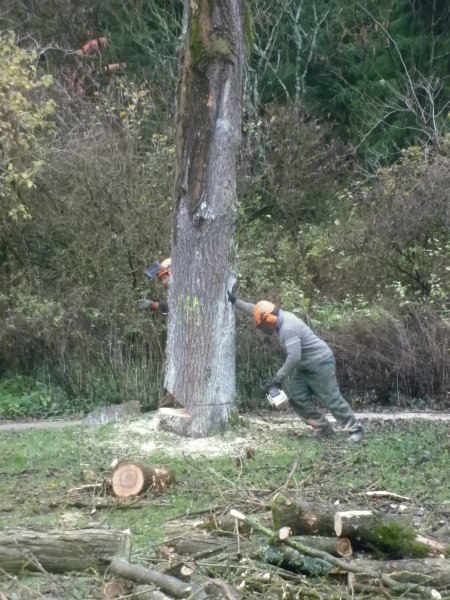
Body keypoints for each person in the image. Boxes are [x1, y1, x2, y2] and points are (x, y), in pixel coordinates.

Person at [227, 291, 365, 443]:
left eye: (262, 324)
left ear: (270, 319)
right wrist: (236, 301)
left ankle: (355, 430)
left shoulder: (288, 328)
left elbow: (294, 357)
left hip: (320, 363)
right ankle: (322, 427)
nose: (262, 328)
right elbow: (255, 310)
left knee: (331, 398)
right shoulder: (278, 316)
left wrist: (278, 377)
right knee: (296, 396)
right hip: (305, 366)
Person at [138, 258, 179, 409]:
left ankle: (171, 405)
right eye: (161, 278)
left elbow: (173, 309)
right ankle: (164, 407)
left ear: (173, 272)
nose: (163, 282)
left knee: (173, 373)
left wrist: (154, 305)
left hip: (185, 342)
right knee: (166, 372)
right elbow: (170, 309)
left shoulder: (186, 287)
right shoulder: (174, 291)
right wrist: (153, 305)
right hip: (175, 341)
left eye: (165, 277)